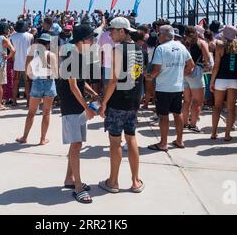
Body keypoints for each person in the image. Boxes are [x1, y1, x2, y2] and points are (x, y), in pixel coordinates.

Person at [99, 17, 145, 195]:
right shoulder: (140, 49)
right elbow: (138, 75)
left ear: (122, 31)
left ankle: (113, 181)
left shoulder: (118, 50)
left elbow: (113, 80)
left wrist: (104, 103)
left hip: (118, 101)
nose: (110, 33)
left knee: (115, 142)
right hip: (133, 101)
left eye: (113, 30)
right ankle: (135, 181)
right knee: (131, 139)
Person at [57, 24, 98, 204]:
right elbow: (73, 87)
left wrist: (93, 94)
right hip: (72, 106)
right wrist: (87, 107)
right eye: (91, 39)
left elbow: (80, 83)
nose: (94, 42)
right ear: (82, 40)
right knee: (76, 145)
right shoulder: (72, 56)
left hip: (77, 105)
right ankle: (78, 187)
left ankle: (69, 179)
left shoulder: (79, 55)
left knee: (76, 144)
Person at [146, 26, 195, 152]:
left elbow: (156, 70)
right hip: (177, 87)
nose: (157, 37)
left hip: (164, 87)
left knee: (163, 116)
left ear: (163, 35)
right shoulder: (181, 46)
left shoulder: (161, 48)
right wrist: (181, 74)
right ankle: (179, 140)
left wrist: (149, 77)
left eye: (158, 34)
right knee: (177, 114)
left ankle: (163, 143)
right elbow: (191, 65)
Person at [16, 33, 58, 145]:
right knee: (46, 113)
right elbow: (55, 73)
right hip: (49, 83)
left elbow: (27, 67)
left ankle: (24, 137)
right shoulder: (51, 55)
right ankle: (42, 139)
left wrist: (32, 76)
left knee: (31, 112)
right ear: (48, 44)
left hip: (37, 82)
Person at [210, 26, 237, 141]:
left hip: (221, 79)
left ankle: (214, 133)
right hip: (234, 80)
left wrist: (212, 81)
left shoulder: (220, 46)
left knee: (217, 106)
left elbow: (216, 66)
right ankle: (227, 134)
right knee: (231, 108)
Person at [182, 26, 211, 133]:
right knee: (197, 101)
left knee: (186, 101)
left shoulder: (184, 43)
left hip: (184, 72)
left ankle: (184, 123)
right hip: (196, 72)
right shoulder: (201, 43)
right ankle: (193, 124)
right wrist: (204, 64)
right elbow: (207, 59)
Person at [10, 21, 34, 107]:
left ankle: (14, 101)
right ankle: (28, 101)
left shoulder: (12, 36)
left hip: (17, 62)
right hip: (27, 62)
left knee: (16, 82)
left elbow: (12, 50)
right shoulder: (30, 36)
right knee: (28, 83)